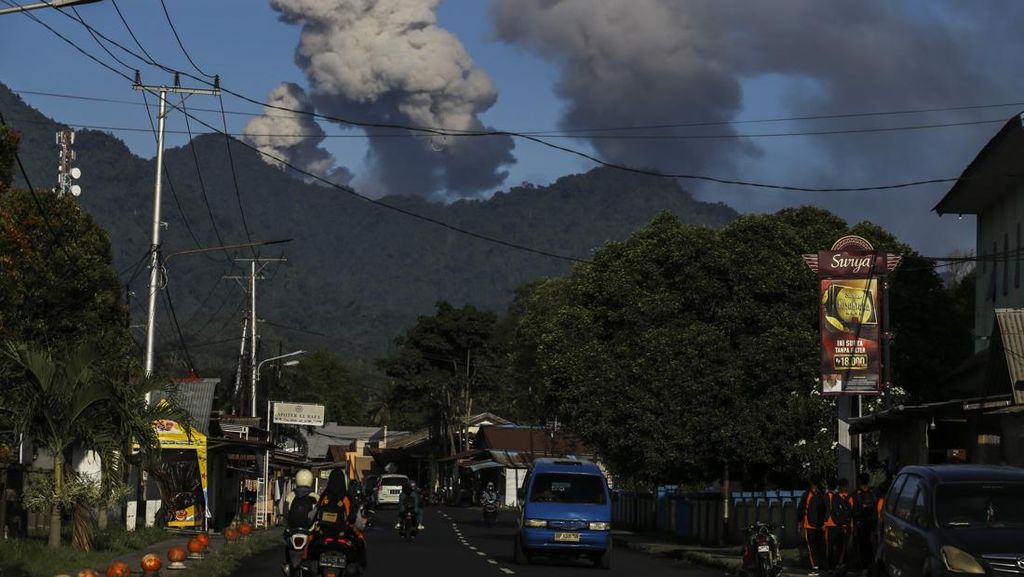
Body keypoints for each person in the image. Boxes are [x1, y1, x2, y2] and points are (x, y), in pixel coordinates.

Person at [313, 469, 366, 570]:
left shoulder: (325, 495)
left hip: (324, 533)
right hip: (342, 533)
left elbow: (316, 512)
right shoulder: (347, 497)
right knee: (360, 543)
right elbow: (352, 518)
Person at [282, 470, 317, 574]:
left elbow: (285, 512)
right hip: (309, 530)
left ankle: (288, 564)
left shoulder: (291, 495)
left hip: (293, 530)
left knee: (287, 545)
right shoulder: (315, 496)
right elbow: (318, 513)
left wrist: (289, 525)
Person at [798, 479, 829, 577]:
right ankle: (822, 565)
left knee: (812, 546)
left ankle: (815, 566)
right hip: (820, 525)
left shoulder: (807, 495)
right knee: (820, 545)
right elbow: (827, 509)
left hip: (809, 525)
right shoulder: (823, 494)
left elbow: (801, 509)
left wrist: (799, 522)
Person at [825, 478, 854, 575]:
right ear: (846, 486)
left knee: (830, 547)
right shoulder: (850, 498)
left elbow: (830, 509)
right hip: (845, 526)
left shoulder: (834, 497)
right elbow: (852, 512)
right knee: (842, 547)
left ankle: (831, 567)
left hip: (832, 524)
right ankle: (841, 565)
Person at [853, 473, 878, 576]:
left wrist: (855, 522)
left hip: (860, 524)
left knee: (862, 545)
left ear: (859, 481)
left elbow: (854, 510)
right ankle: (870, 566)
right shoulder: (872, 493)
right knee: (870, 545)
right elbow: (876, 510)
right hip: (871, 523)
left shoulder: (856, 494)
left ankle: (864, 568)